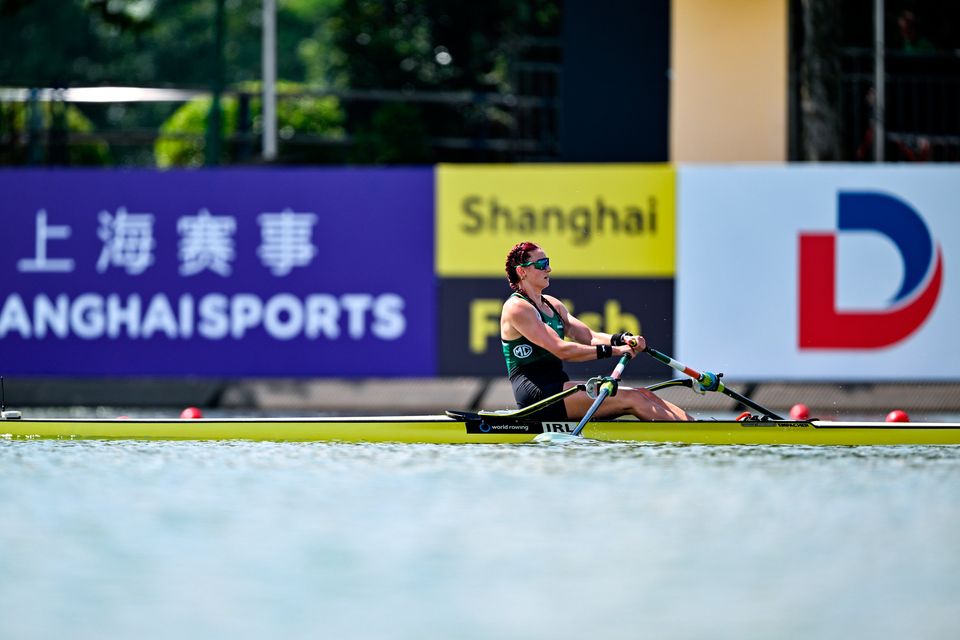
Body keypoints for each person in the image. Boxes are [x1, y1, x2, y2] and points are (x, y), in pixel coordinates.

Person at [500, 241, 692, 422]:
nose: (548, 269)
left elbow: (589, 336)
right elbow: (562, 350)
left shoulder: (552, 304)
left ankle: (699, 428)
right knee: (634, 399)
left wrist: (623, 340)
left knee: (644, 393)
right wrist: (615, 352)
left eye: (547, 262)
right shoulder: (517, 308)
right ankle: (693, 438)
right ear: (522, 271)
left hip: (560, 388)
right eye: (541, 264)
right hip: (539, 397)